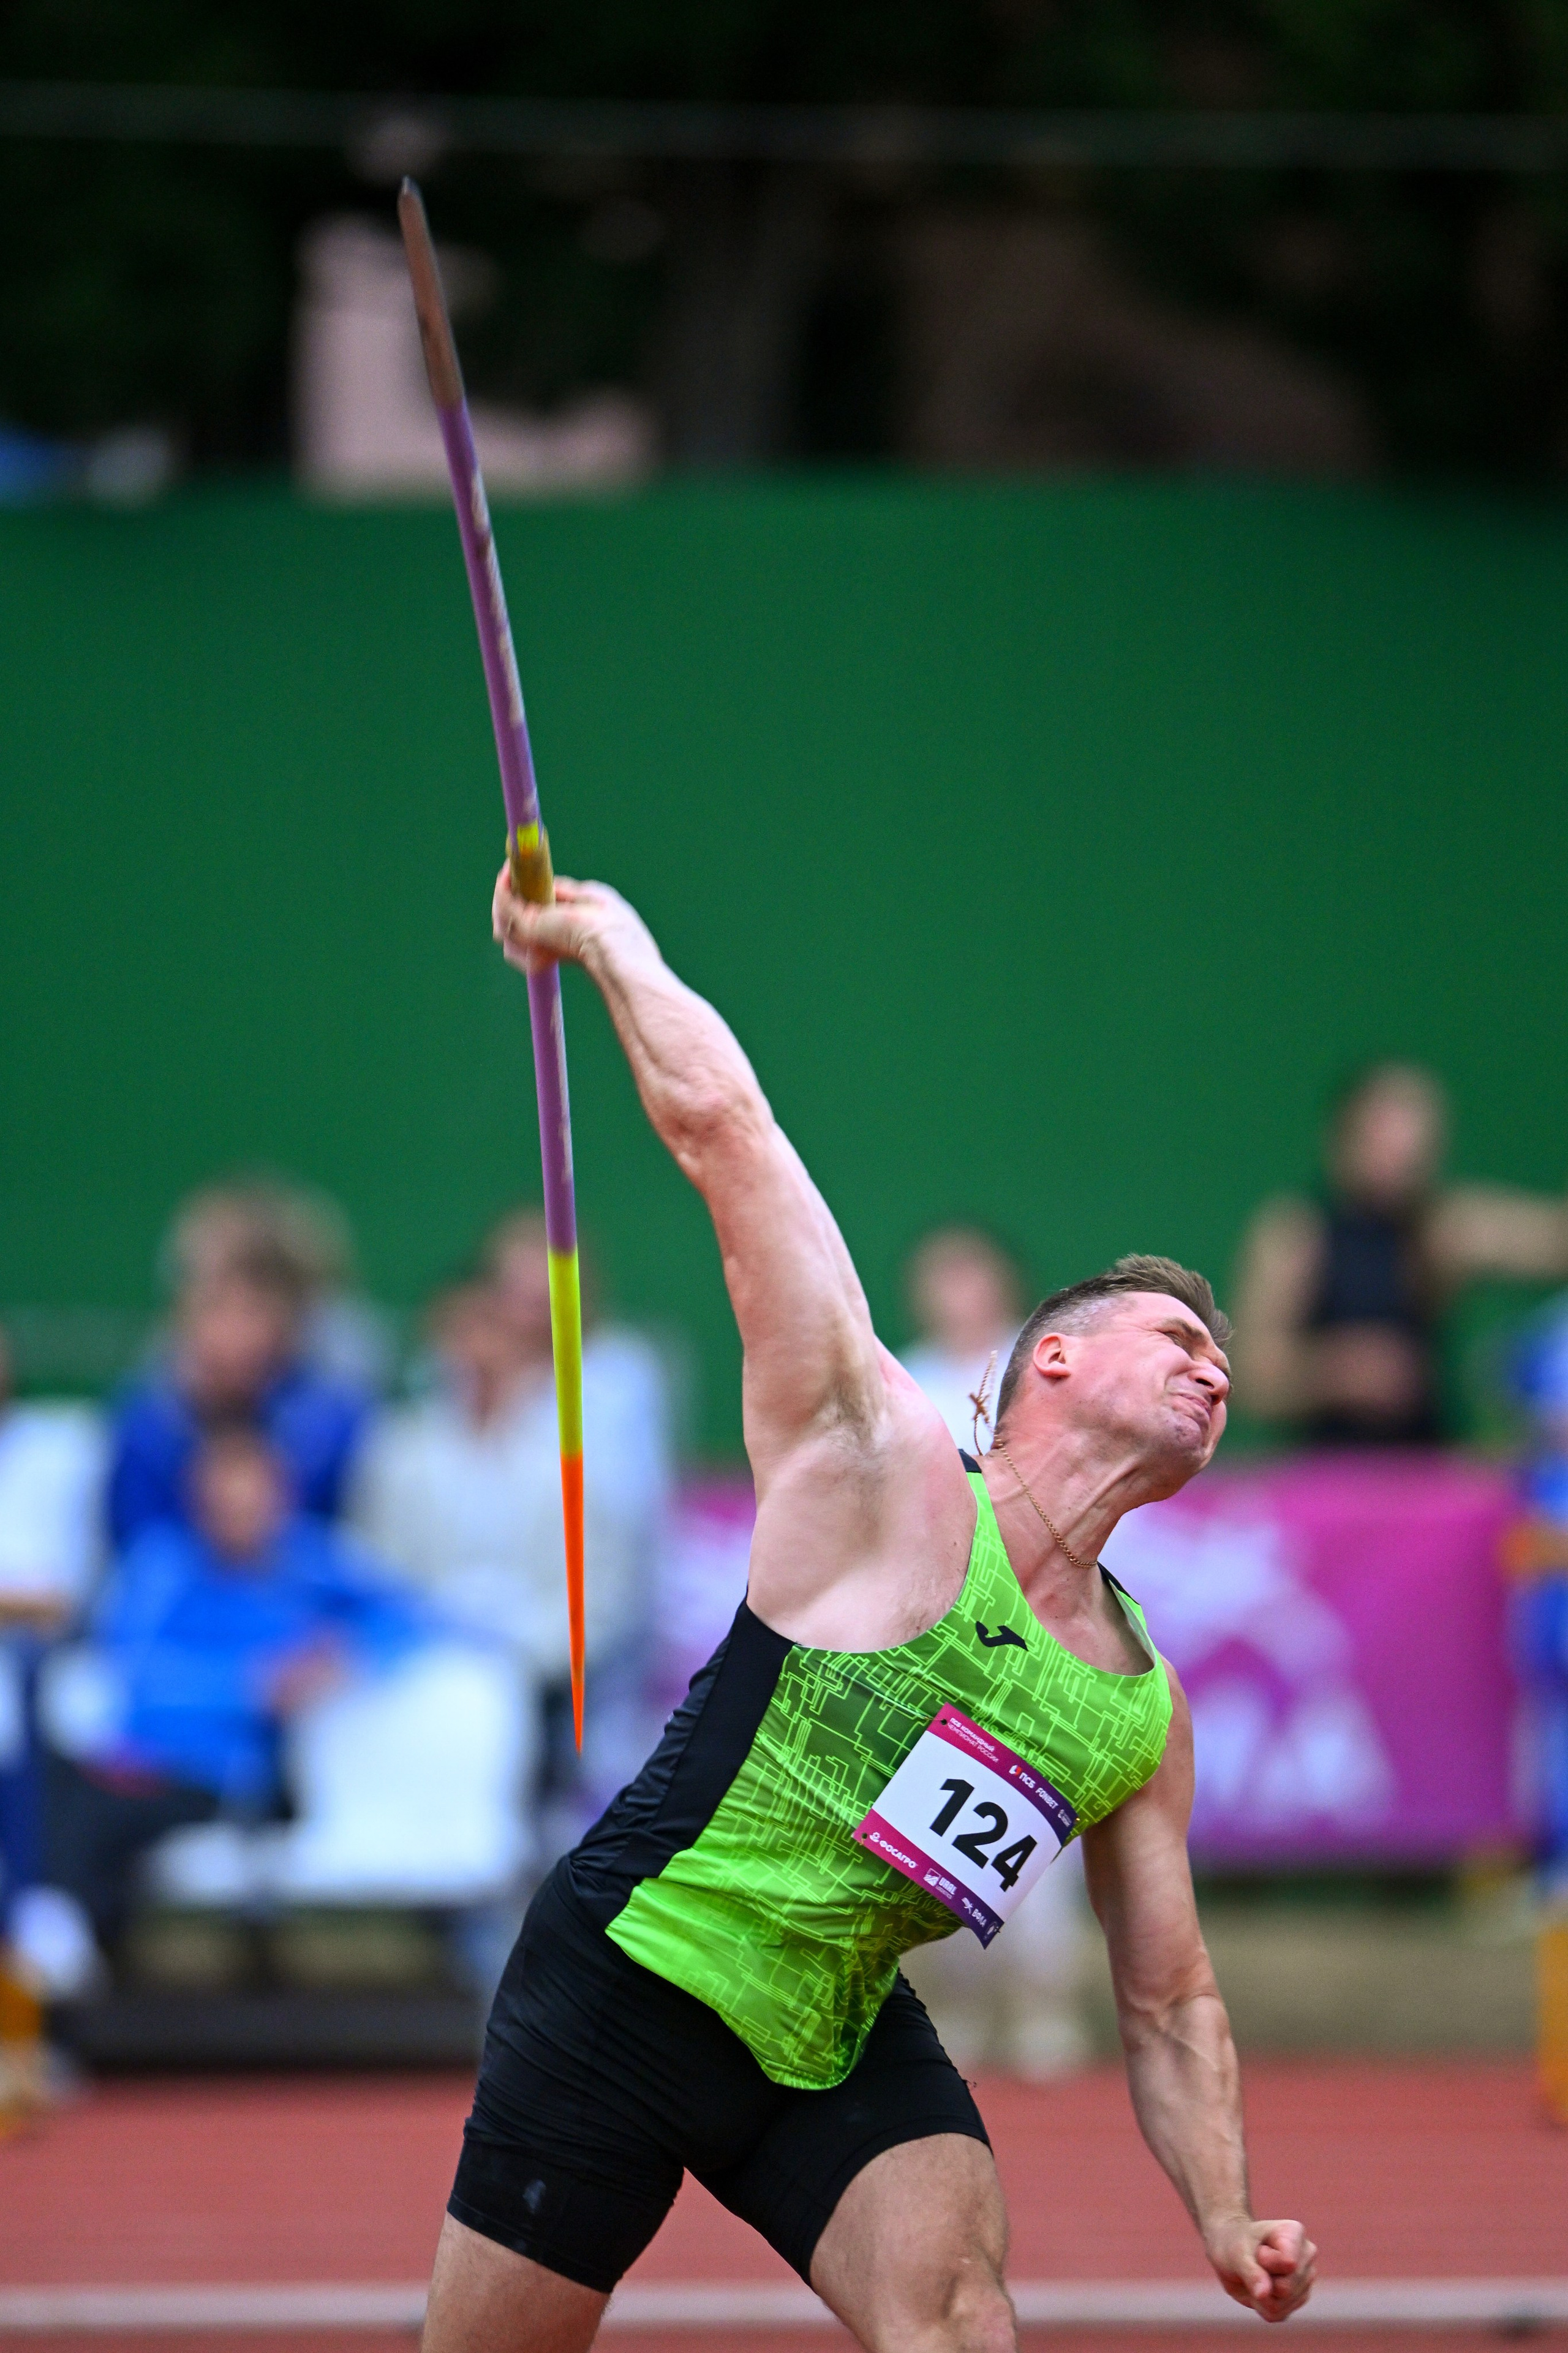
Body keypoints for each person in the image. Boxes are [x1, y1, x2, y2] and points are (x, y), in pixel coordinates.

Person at [419, 866, 1315, 2353]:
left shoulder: (1138, 1709)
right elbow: (729, 1134)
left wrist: (1222, 2210)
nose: (1210, 1367)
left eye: (1220, 1362)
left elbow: (1167, 2000)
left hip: (831, 2033)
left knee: (959, 2323)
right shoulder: (879, 1467)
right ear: (1049, 1360)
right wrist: (611, 940)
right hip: (632, 1979)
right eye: (1173, 1336)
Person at [36, 1421, 422, 1981]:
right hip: (142, 1757)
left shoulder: (312, 1564)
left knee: (92, 1811)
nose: (239, 1520)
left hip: (230, 1779)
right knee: (50, 1783)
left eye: (252, 1505)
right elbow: (135, 1676)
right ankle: (66, 1946)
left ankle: (63, 1949)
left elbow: (409, 1618)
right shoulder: (161, 1566)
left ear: (281, 1499)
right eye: (223, 1506)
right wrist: (249, 1686)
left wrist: (344, 1655)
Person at [1232, 1062, 1568, 1445]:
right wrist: (1340, 1371)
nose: (1404, 1146)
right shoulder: (1296, 1236)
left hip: (1427, 1464)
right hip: (1327, 1468)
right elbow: (1250, 1379)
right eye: (1385, 1126)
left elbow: (1553, 1243)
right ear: (1343, 1136)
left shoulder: (1443, 1229)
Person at [108, 1220, 369, 1550]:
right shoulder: (147, 1427)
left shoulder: (331, 1427)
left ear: (288, 1323)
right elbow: (136, 1547)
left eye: (251, 1311)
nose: (232, 1332)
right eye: (215, 1308)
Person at [899, 1228, 1025, 1454]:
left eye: (968, 1276)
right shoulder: (906, 1379)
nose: (962, 1293)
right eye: (948, 1280)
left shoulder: (1037, 1353)